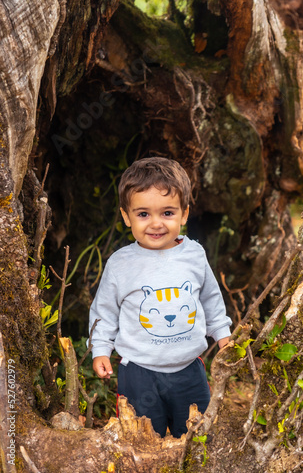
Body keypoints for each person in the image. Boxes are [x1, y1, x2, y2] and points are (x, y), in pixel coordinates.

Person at [89, 157, 232, 438]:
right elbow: (105, 312)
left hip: (189, 370)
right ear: (127, 216)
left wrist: (223, 334)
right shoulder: (120, 263)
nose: (156, 224)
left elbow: (211, 300)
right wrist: (100, 349)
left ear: (185, 214)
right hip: (138, 373)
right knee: (140, 439)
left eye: (167, 213)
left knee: (197, 437)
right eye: (143, 214)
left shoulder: (194, 255)